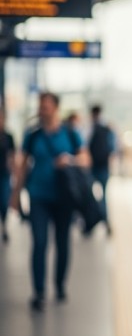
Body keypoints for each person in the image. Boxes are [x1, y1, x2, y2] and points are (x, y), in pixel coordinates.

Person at [9, 92, 90, 311]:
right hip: (38, 197)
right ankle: (39, 292)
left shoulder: (70, 133)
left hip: (64, 198)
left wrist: (70, 159)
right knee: (40, 242)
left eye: (45, 106)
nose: (41, 110)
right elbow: (23, 165)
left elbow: (85, 158)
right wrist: (15, 195)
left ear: (55, 108)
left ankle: (60, 284)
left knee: (62, 243)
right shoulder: (32, 135)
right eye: (40, 106)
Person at [87, 105, 116, 235]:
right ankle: (105, 220)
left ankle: (92, 221)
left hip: (91, 167)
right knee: (103, 196)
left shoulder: (90, 128)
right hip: (104, 166)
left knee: (89, 195)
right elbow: (112, 147)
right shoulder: (108, 128)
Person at [0, 109, 14, 243]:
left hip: (4, 174)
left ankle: (4, 226)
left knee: (4, 201)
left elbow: (12, 156)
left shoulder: (8, 137)